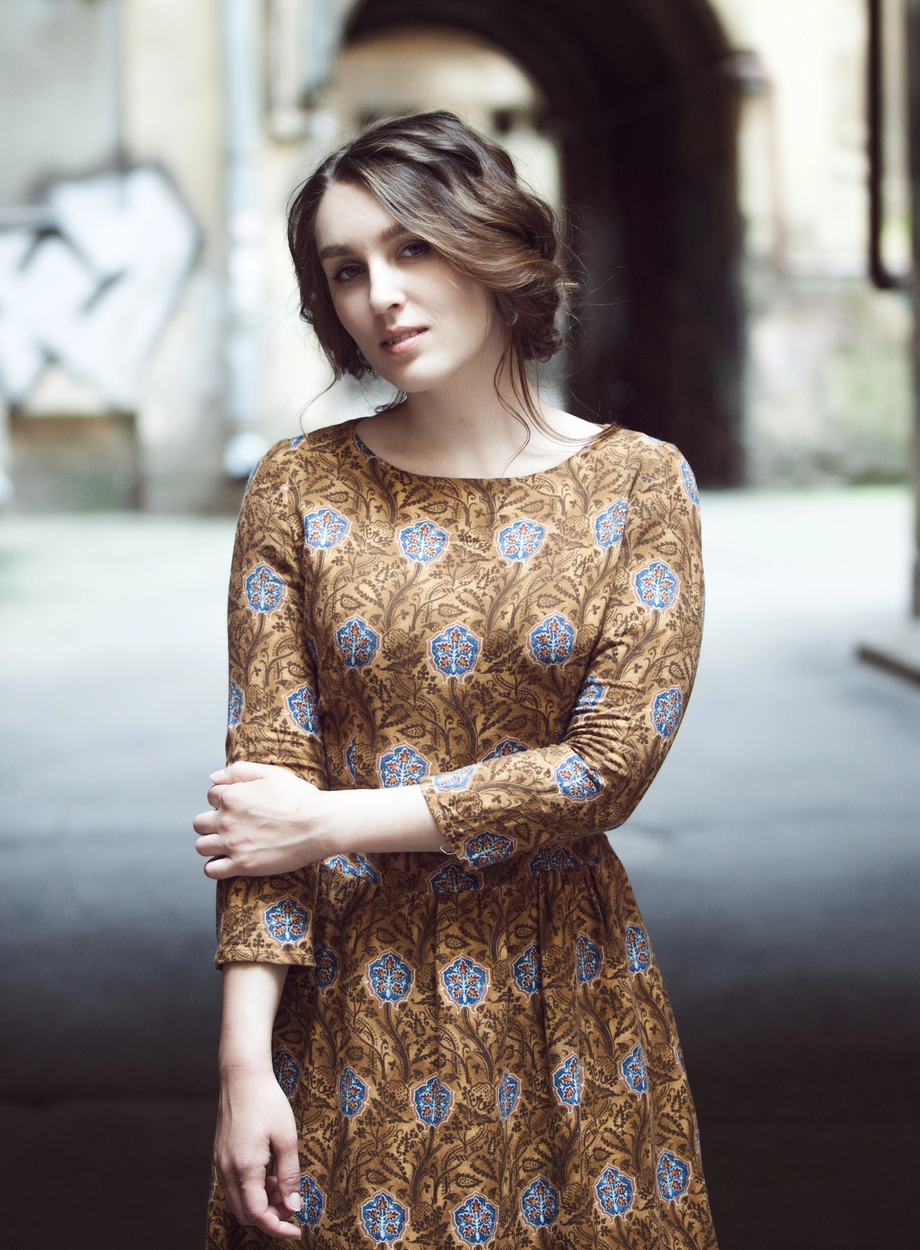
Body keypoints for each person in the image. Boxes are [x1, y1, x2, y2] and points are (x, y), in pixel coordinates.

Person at [194, 110, 716, 1248]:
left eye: (409, 247)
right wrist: (243, 1068)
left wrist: (327, 822)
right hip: (350, 1003)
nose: (379, 291)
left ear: (490, 246)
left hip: (564, 993)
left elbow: (607, 767)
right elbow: (260, 795)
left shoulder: (638, 486)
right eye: (345, 268)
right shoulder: (298, 489)